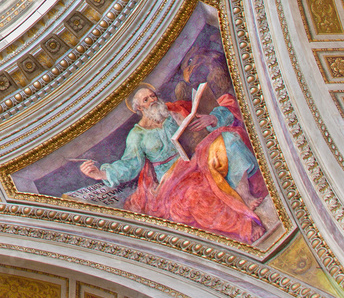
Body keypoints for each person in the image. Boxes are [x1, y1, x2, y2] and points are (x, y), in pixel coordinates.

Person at [80, 83, 270, 243]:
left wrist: (211, 119)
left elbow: (209, 112)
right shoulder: (137, 135)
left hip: (196, 157)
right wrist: (102, 174)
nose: (152, 100)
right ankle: (243, 225)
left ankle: (246, 196)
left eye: (153, 96)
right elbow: (130, 165)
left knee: (229, 140)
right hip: (173, 177)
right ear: (139, 108)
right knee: (194, 193)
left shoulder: (175, 111)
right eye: (146, 100)